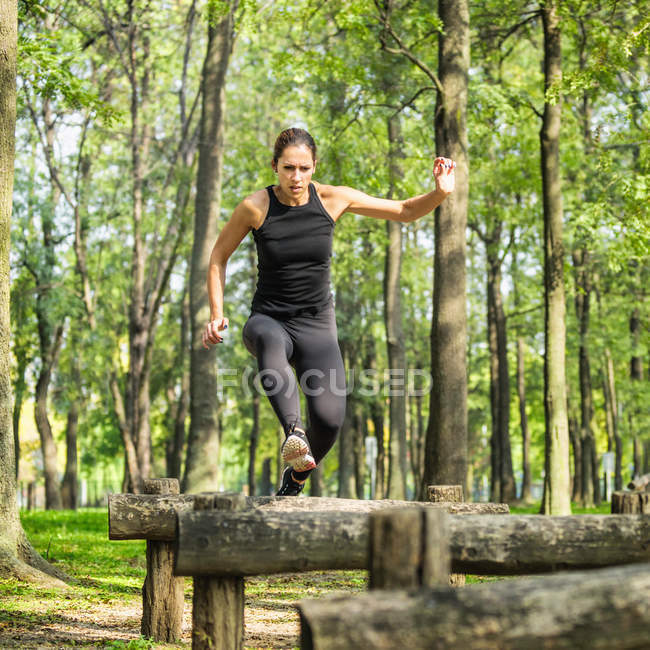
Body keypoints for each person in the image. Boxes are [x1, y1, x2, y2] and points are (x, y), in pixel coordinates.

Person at [202, 127, 455, 496]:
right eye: (289, 168)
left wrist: (439, 192)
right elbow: (218, 258)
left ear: (314, 166)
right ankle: (294, 432)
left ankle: (296, 476)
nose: (297, 177)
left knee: (330, 419)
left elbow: (403, 211)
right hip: (269, 318)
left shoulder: (334, 199)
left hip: (317, 325)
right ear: (275, 166)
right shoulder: (255, 207)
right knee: (271, 345)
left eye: (304, 168)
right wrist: (216, 312)